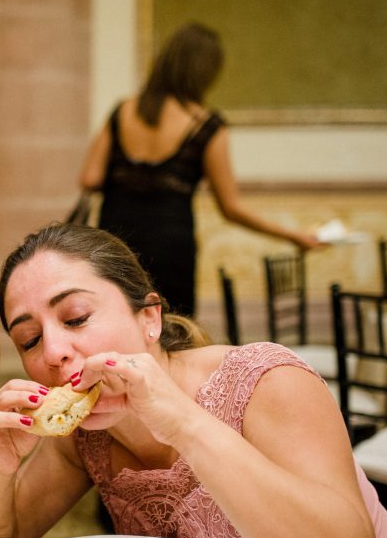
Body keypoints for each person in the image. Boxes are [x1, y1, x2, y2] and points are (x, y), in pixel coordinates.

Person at [0, 222, 387, 538]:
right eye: (30, 339)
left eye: (76, 318)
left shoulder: (268, 382)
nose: (53, 353)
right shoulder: (84, 434)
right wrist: (0, 467)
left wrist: (181, 423)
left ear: (149, 318)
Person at [78, 22, 322, 317]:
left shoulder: (123, 111)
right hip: (171, 247)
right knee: (171, 329)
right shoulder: (207, 126)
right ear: (206, 73)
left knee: (116, 318)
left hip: (115, 239)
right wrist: (293, 236)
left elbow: (89, 178)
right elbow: (231, 207)